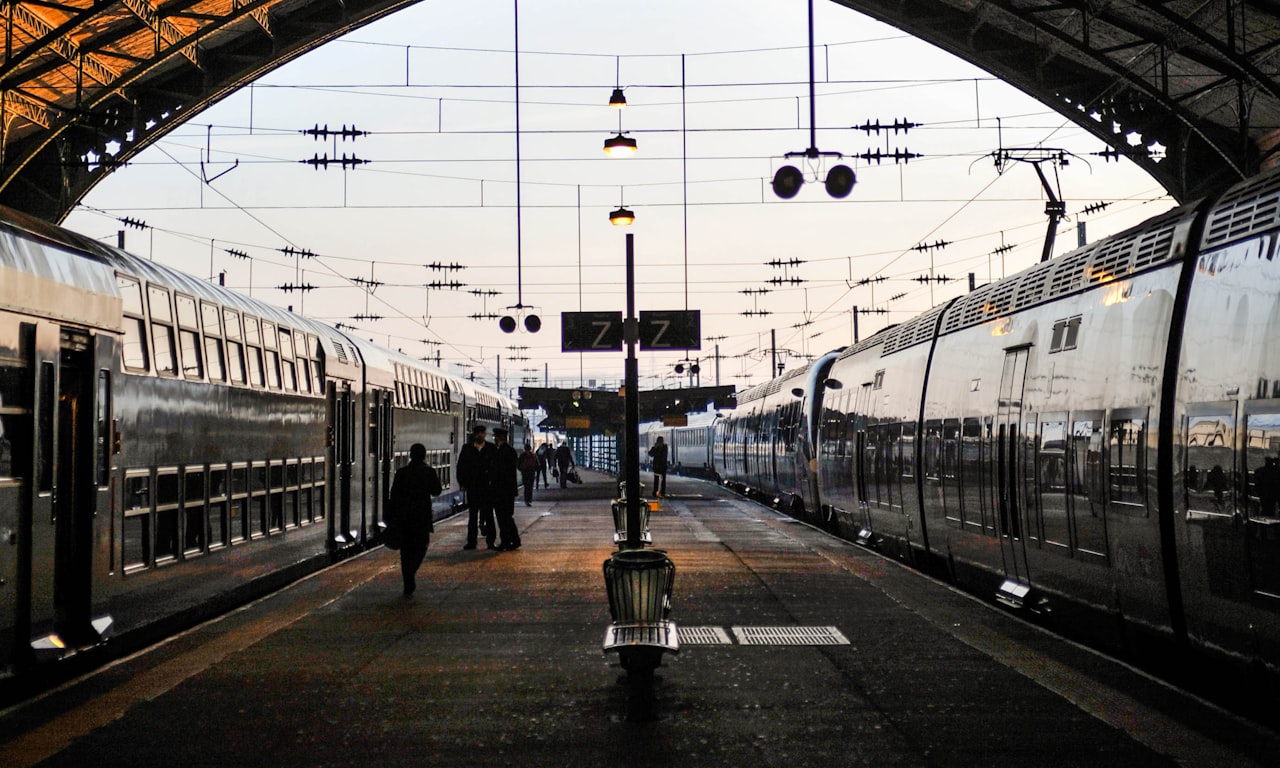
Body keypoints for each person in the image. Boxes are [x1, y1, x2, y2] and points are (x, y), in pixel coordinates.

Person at [387, 443, 442, 597]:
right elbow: (437, 491)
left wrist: (391, 517)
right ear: (424, 456)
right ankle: (411, 572)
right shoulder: (429, 472)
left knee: (405, 552)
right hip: (422, 518)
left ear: (410, 456)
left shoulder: (401, 473)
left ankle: (408, 579)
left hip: (404, 519)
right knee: (421, 548)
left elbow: (394, 496)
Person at [456, 425, 497, 550]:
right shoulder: (467, 448)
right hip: (473, 487)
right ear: (474, 435)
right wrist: (463, 483)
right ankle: (471, 542)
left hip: (487, 487)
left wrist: (493, 482)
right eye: (478, 433)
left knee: (489, 515)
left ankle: (491, 542)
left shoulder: (491, 448)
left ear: (485, 434)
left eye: (482, 433)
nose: (480, 435)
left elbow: (496, 468)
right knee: (472, 516)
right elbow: (461, 467)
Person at [491, 428, 522, 551]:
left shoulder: (502, 452)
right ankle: (513, 540)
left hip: (502, 490)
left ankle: (508, 541)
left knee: (503, 517)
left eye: (495, 437)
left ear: (499, 438)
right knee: (507, 517)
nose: (494, 439)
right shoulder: (510, 451)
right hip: (508, 490)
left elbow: (499, 471)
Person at [519, 442, 540, 506]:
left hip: (525, 473)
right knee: (530, 487)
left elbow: (518, 464)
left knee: (526, 487)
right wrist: (534, 470)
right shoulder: (533, 455)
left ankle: (526, 500)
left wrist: (522, 470)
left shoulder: (522, 455)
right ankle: (529, 500)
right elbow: (537, 465)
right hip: (531, 473)